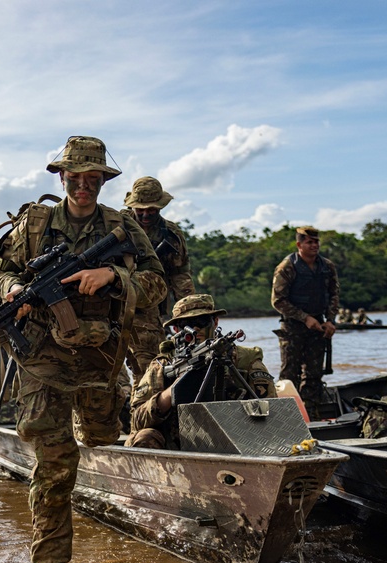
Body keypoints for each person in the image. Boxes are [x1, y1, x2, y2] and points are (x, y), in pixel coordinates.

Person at [0, 136, 167, 563]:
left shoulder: (122, 225)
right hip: (42, 361)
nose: (84, 186)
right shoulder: (34, 224)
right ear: (61, 177)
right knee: (55, 464)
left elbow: (156, 283)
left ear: (103, 181)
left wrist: (113, 276)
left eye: (93, 179)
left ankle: (128, 539)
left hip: (100, 360)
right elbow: (0, 267)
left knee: (103, 443)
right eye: (76, 177)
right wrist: (11, 289)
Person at [128, 294, 277, 449]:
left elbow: (272, 410)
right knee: (145, 437)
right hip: (177, 444)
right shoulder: (163, 364)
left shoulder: (244, 359)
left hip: (233, 436)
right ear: (176, 329)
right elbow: (136, 421)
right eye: (188, 324)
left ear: (215, 322)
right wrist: (168, 395)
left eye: (202, 321)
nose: (196, 329)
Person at [122, 176, 195, 385]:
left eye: (151, 210)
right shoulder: (115, 226)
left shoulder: (171, 235)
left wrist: (187, 315)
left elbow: (180, 277)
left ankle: (142, 412)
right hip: (111, 306)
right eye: (140, 209)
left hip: (149, 310)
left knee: (148, 372)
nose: (145, 215)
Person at [271, 226, 339, 418]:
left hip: (318, 327)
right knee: (289, 376)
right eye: (309, 242)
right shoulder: (287, 267)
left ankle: (311, 415)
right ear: (299, 244)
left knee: (314, 375)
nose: (314, 245)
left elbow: (334, 295)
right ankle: (286, 417)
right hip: (292, 327)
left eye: (316, 241)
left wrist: (330, 320)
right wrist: (304, 317)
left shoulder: (327, 266)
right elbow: (278, 301)